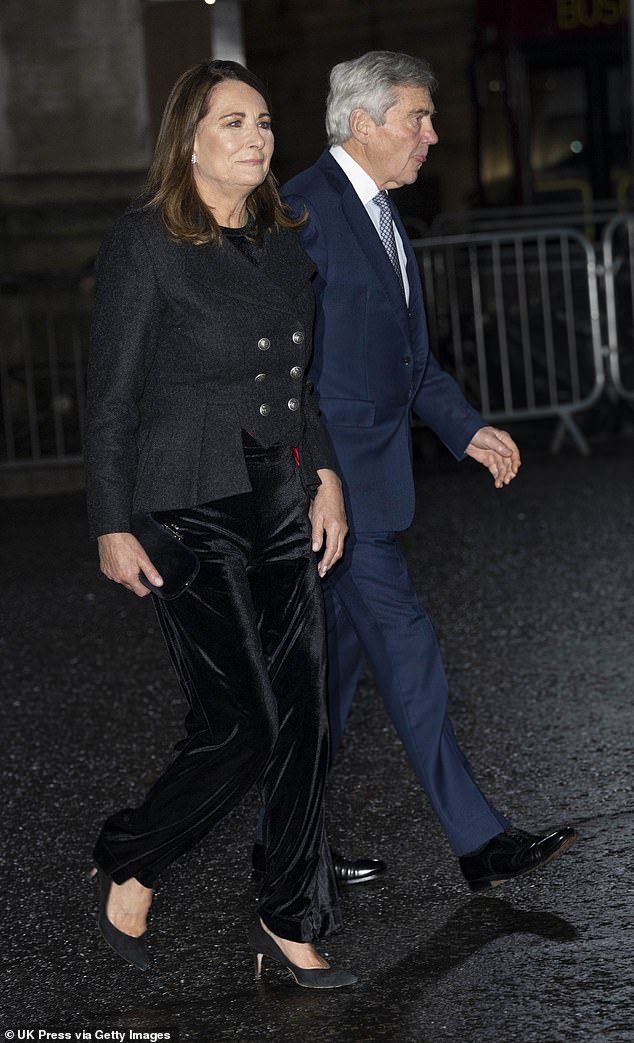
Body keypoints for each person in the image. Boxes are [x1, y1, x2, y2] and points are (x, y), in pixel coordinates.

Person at [252, 51, 578, 892]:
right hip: (334, 492)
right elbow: (286, 371)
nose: (431, 136)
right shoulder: (306, 211)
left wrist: (467, 429)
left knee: (325, 681)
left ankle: (286, 845)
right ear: (362, 124)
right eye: (417, 119)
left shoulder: (387, 212)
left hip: (373, 486)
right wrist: (313, 475)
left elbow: (412, 360)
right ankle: (480, 841)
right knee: (410, 649)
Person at [84, 58, 357, 988]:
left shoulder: (287, 238)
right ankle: (131, 850)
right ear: (189, 139)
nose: (256, 136)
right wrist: (110, 520)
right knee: (244, 720)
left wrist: (324, 474)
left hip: (279, 490)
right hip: (184, 502)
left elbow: (295, 380)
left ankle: (290, 914)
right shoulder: (147, 242)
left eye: (265, 122)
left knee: (308, 714)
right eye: (233, 121)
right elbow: (112, 396)